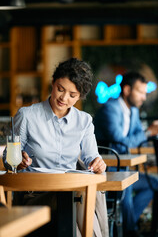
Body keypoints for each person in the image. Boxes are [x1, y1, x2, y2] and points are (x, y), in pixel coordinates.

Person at [3, 58, 107, 237]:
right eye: (60, 89)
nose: (64, 98)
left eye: (72, 95)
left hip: (70, 191)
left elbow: (92, 158)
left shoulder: (84, 121)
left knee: (83, 192)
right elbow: (7, 159)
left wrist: (98, 163)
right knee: (82, 194)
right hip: (35, 194)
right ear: (53, 83)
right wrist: (17, 160)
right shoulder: (27, 116)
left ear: (79, 97)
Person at [94, 71, 158, 237]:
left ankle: (123, 225)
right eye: (140, 92)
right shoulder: (111, 109)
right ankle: (130, 230)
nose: (144, 97)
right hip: (104, 169)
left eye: (145, 93)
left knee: (153, 183)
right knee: (127, 182)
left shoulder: (134, 112)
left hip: (122, 167)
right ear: (127, 90)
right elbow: (120, 142)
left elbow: (139, 135)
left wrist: (153, 132)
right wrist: (148, 132)